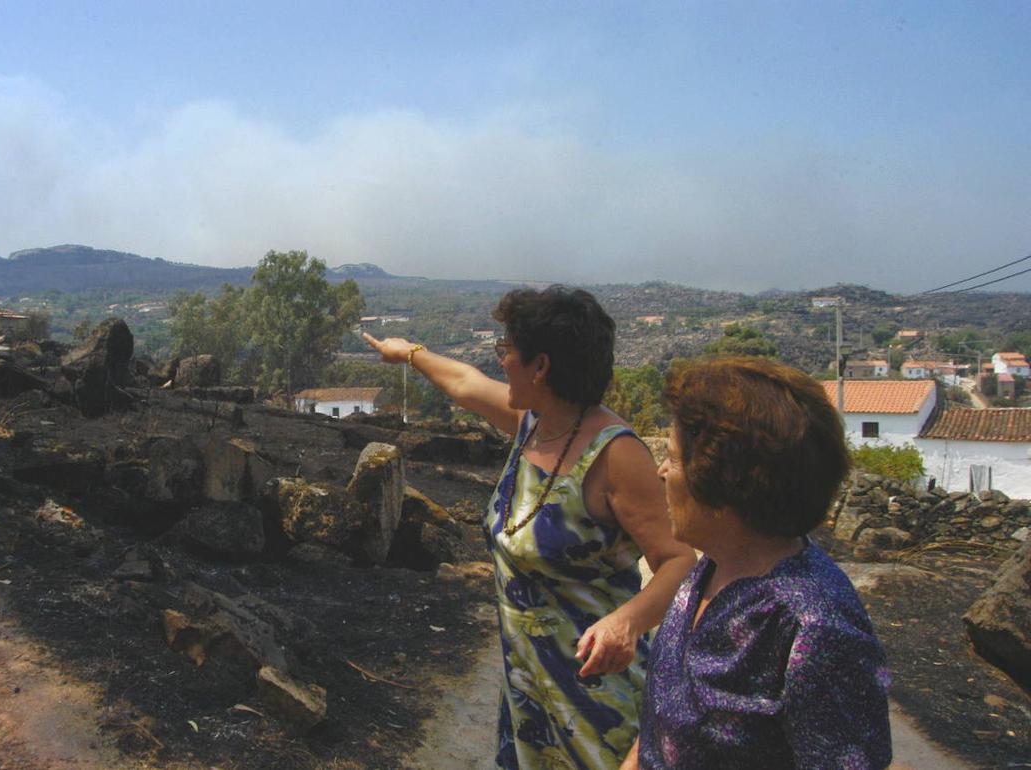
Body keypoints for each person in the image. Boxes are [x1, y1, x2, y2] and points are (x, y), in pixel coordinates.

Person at [363, 286, 695, 769]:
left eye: (507, 351)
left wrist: (628, 621)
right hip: (529, 693)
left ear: (540, 366)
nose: (500, 362)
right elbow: (462, 381)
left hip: (599, 699)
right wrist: (408, 352)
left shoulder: (615, 455)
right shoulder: (532, 423)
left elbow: (678, 560)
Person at [621, 356, 893, 769]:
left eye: (674, 459)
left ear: (724, 482)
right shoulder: (712, 567)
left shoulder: (815, 626)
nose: (661, 472)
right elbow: (662, 721)